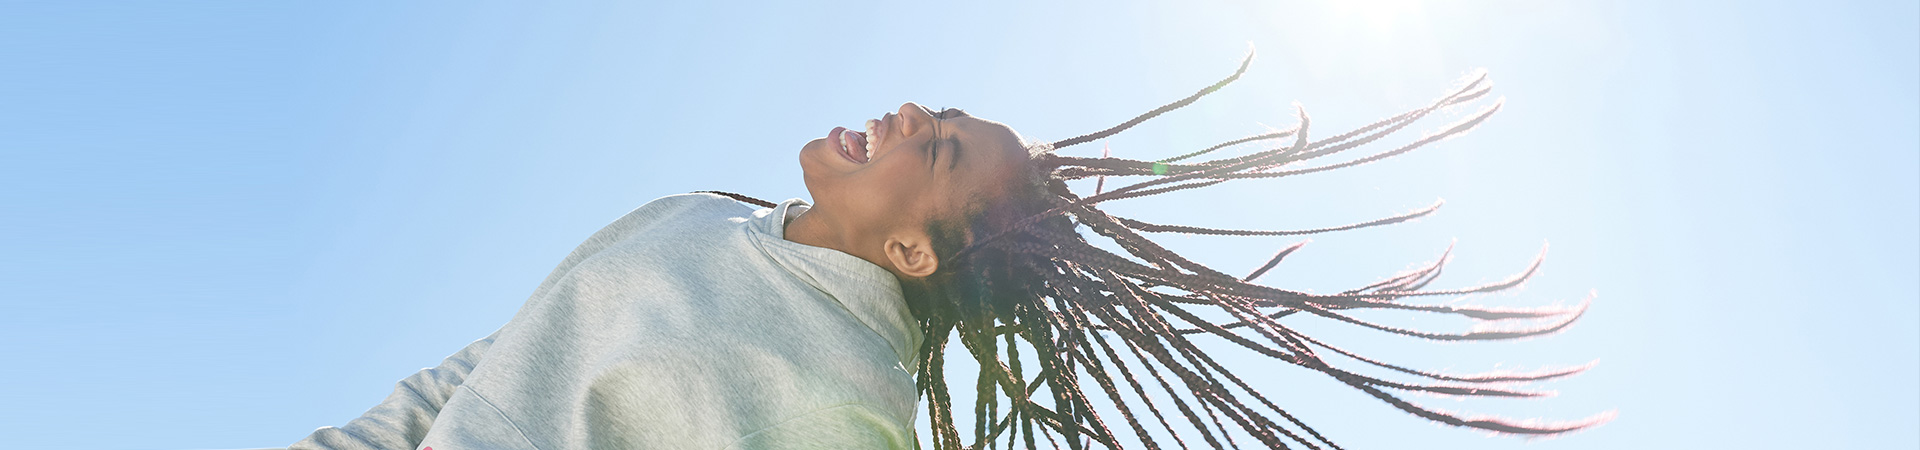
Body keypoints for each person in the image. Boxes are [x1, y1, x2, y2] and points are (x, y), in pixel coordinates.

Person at [290, 52, 1606, 450]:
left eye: (937, 146)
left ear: (915, 251)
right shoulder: (696, 211)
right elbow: (481, 368)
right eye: (940, 115)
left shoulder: (843, 395)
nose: (912, 111)